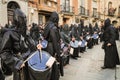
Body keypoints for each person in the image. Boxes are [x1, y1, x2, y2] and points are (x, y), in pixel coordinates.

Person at [0, 8, 38, 80]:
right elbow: (4, 52)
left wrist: (36, 46)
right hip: (20, 66)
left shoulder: (25, 33)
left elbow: (31, 45)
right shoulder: (9, 34)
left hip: (30, 64)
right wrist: (17, 62)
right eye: (22, 19)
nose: (24, 21)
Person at [43, 12, 61, 80]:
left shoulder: (47, 25)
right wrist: (58, 53)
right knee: (52, 64)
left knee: (48, 63)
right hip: (51, 48)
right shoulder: (53, 28)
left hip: (47, 46)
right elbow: (54, 41)